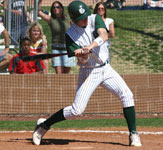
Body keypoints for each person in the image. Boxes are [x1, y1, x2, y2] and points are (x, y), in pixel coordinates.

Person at [32, 1, 142, 147]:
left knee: (127, 95)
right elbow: (83, 61)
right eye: (81, 18)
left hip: (106, 68)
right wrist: (82, 55)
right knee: (77, 110)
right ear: (74, 20)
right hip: (89, 71)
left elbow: (104, 35)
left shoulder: (94, 18)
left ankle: (133, 133)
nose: (85, 19)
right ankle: (44, 126)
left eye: (85, 16)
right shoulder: (70, 35)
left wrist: (90, 46)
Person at [38, 0, 76, 74]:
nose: (56, 9)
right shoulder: (51, 19)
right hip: (56, 49)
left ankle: (65, 86)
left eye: (58, 7)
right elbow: (38, 12)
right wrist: (40, 1)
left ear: (62, 8)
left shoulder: (68, 19)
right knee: (59, 75)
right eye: (54, 7)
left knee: (66, 75)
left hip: (68, 49)